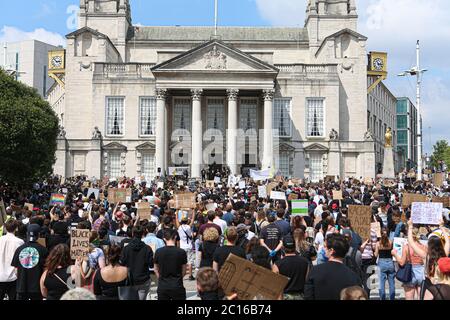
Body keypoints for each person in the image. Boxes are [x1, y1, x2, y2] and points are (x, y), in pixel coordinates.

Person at [304, 234, 361, 300]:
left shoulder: (315, 271)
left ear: (331, 251)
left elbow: (308, 296)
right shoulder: (353, 276)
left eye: (325, 247)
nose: (323, 248)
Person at [11, 224, 48, 300]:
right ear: (38, 235)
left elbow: (16, 271)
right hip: (36, 288)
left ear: (27, 234)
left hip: (21, 287)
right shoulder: (43, 250)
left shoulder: (19, 249)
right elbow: (45, 270)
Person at [272, 235, 310, 300]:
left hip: (285, 296)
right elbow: (306, 280)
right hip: (301, 296)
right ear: (295, 247)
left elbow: (277, 287)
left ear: (283, 248)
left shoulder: (277, 265)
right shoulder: (305, 262)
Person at [154, 228, 187, 300]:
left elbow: (156, 269)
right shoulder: (181, 252)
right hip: (177, 285)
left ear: (164, 239)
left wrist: (160, 277)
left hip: (163, 286)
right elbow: (184, 270)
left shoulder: (158, 251)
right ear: (175, 237)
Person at [120, 226, 153, 290]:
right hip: (143, 279)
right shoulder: (147, 248)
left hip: (131, 279)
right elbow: (151, 264)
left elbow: (122, 263)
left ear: (132, 234)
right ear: (142, 234)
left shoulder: (126, 248)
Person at [0, 220, 24, 300]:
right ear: (16, 228)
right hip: (14, 276)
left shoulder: (0, 239)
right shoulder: (20, 242)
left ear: (5, 228)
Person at [374, 229, 396, 300]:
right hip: (390, 262)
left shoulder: (378, 243)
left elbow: (376, 255)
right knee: (391, 282)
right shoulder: (390, 242)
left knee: (381, 282)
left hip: (381, 263)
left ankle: (382, 297)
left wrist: (374, 250)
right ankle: (392, 298)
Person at [178, 216, 195, 281]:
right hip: (189, 246)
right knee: (190, 261)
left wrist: (176, 211)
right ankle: (190, 275)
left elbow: (176, 219)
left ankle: (181, 275)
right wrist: (193, 211)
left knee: (181, 262)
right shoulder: (189, 227)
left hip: (182, 246)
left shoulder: (179, 227)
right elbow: (192, 219)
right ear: (187, 221)